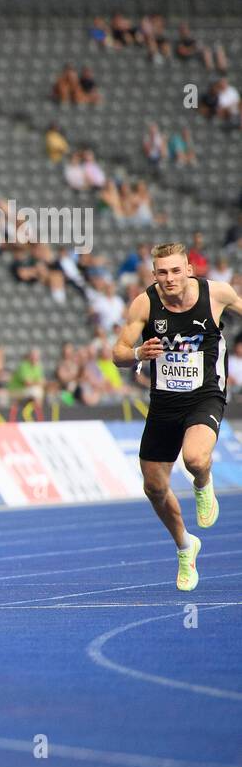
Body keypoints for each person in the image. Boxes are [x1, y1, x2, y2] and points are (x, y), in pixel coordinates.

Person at [113, 242, 242, 592]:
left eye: (175, 270)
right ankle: (186, 545)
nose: (169, 278)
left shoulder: (216, 294)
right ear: (154, 274)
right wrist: (139, 351)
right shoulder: (145, 302)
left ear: (188, 269)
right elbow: (118, 354)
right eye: (161, 272)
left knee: (196, 459)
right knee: (154, 487)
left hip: (206, 394)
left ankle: (203, 483)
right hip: (164, 403)